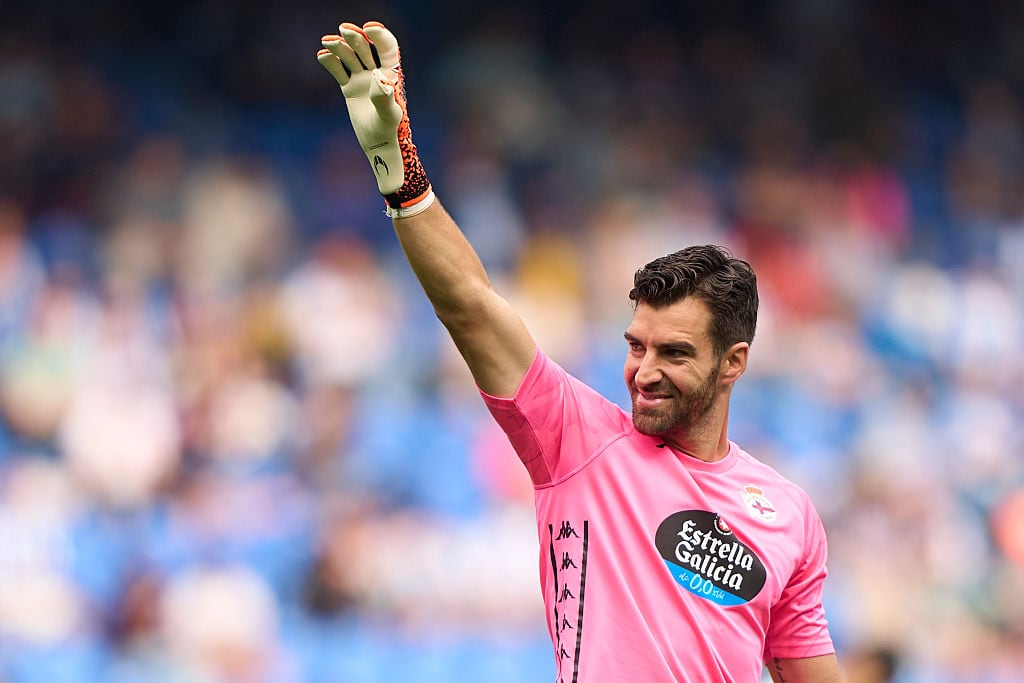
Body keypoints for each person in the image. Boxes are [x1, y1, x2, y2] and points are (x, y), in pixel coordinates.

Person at [316, 20, 844, 683]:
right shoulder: (576, 439)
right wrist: (400, 169)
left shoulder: (787, 511)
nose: (644, 371)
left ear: (732, 363)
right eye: (635, 345)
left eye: (674, 353)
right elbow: (470, 305)